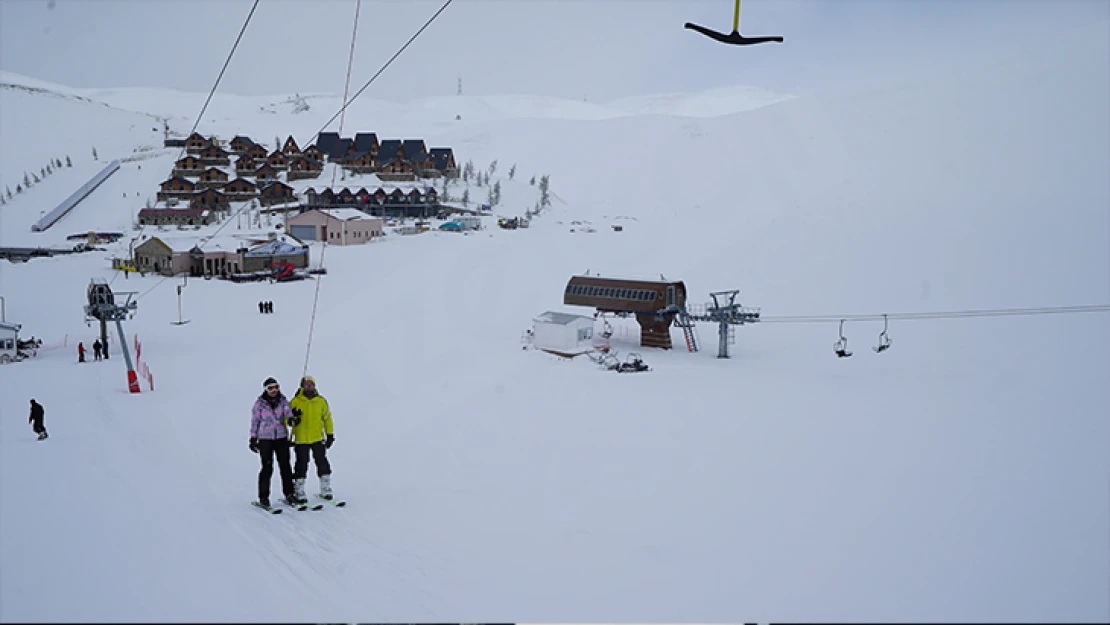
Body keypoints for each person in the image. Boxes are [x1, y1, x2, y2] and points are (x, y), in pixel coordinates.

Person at [249, 377, 298, 508]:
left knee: (285, 467)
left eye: (276, 387)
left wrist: (292, 420)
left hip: (281, 438)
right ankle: (263, 497)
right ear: (265, 389)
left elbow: (288, 415)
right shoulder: (259, 404)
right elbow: (255, 422)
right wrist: (253, 438)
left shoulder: (283, 401)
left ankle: (289, 494)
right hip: (265, 439)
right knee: (267, 467)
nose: (274, 390)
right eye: (270, 388)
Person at [288, 375, 335, 502]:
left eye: (311, 385)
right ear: (302, 386)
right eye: (307, 385)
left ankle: (325, 488)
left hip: (317, 438)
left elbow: (327, 418)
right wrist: (293, 419)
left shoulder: (320, 401)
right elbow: (286, 419)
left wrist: (330, 434)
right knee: (301, 464)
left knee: (322, 462)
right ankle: (299, 490)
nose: (309, 387)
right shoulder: (295, 401)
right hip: (301, 439)